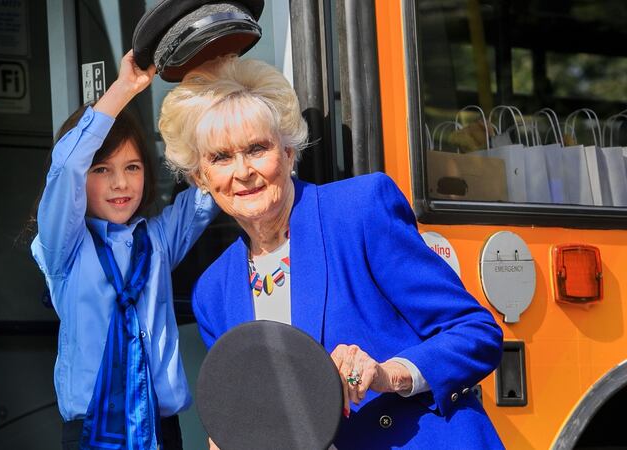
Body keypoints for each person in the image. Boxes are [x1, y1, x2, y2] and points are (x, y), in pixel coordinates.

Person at [158, 55, 505, 449]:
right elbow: (260, 415)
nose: (242, 172)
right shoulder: (213, 293)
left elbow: (476, 333)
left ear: (288, 153)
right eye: (220, 157)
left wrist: (389, 374)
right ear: (201, 178)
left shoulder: (359, 211)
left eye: (257, 148)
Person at [31, 50, 219, 450]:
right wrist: (123, 90)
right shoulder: (63, 249)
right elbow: (65, 170)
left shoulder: (158, 239)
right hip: (92, 433)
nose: (121, 183)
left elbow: (209, 187)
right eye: (102, 169)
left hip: (161, 430)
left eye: (132, 167)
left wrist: (210, 81)